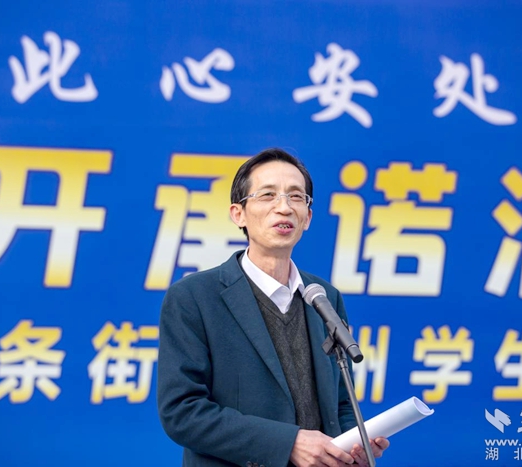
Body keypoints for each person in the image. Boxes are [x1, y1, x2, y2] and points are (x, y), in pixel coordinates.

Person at [157, 148, 390, 467]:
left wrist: (354, 443)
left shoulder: (324, 297)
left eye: (296, 197)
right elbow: (182, 412)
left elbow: (340, 403)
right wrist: (287, 444)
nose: (284, 207)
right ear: (238, 214)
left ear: (308, 217)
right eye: (267, 195)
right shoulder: (194, 297)